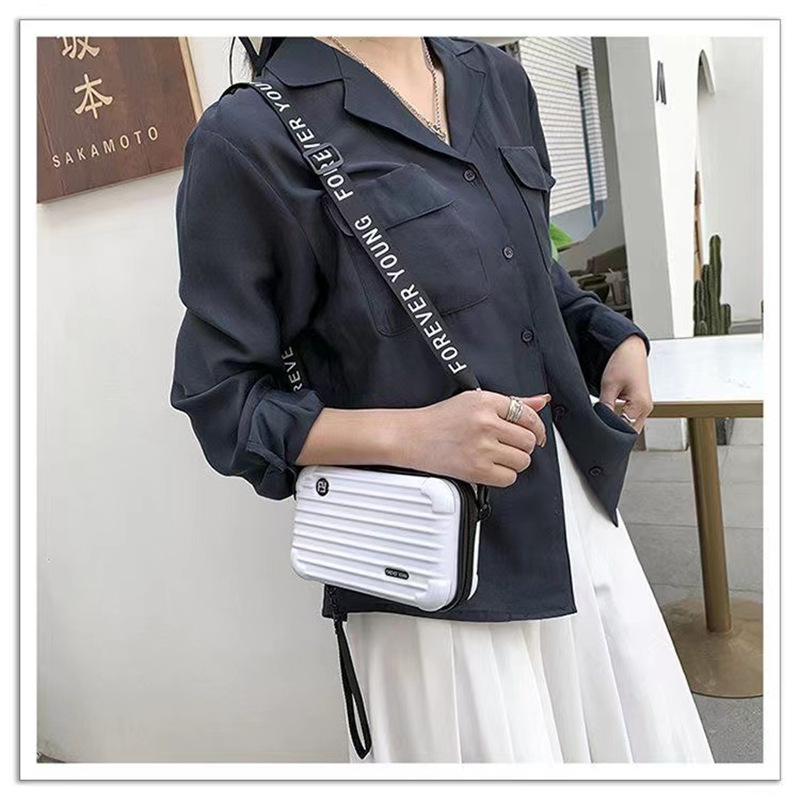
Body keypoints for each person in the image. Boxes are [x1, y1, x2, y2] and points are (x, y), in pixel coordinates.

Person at [170, 35, 715, 763]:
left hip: (578, 528)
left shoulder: (497, 78)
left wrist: (610, 338)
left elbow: (531, 273)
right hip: (435, 573)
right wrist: (415, 436)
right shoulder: (249, 137)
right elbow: (223, 401)